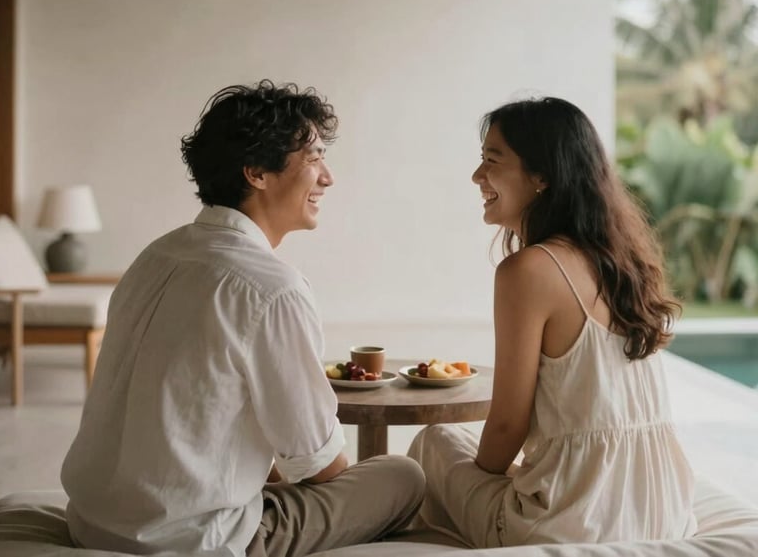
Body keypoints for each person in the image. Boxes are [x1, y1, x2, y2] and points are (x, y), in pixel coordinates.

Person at [61, 80, 424, 557]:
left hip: (92, 523)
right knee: (402, 476)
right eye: (313, 158)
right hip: (198, 539)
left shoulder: (157, 255)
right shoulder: (272, 288)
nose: (328, 177)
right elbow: (319, 466)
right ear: (256, 172)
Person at [407, 96, 696, 548]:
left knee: (433, 445)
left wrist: (477, 484)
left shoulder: (529, 270)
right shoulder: (625, 264)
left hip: (570, 526)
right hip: (665, 516)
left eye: (491, 160)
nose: (477, 176)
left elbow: (507, 426)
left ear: (541, 175)